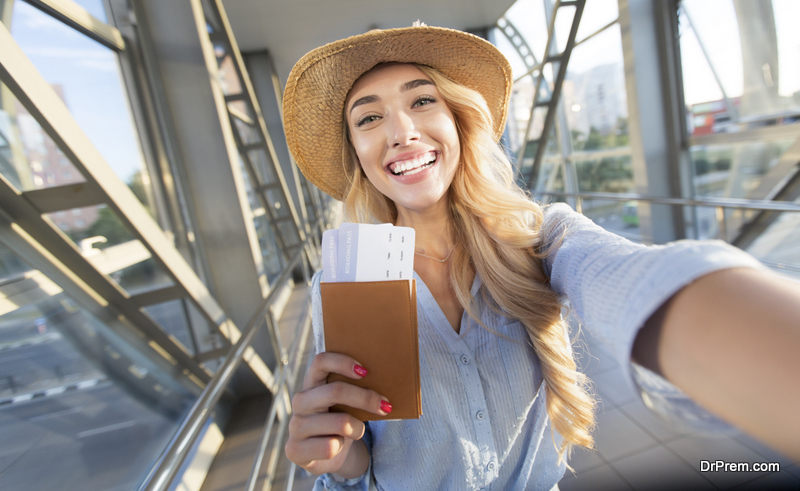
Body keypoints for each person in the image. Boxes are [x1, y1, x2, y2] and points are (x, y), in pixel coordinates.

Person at [281, 25, 800, 490]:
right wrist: (341, 457)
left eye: (422, 102)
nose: (401, 132)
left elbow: (633, 277)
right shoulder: (345, 280)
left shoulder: (539, 237)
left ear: (459, 120)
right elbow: (361, 458)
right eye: (369, 117)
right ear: (357, 152)